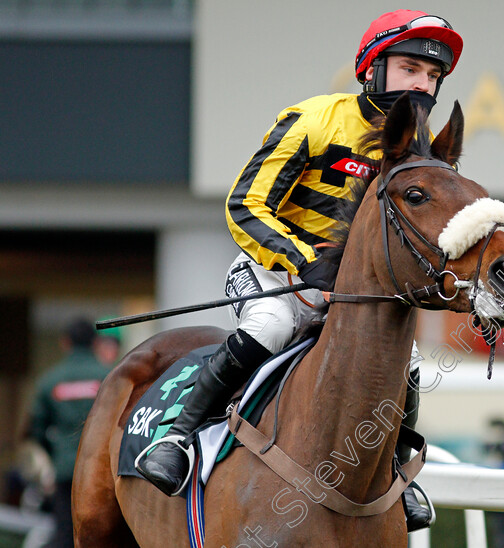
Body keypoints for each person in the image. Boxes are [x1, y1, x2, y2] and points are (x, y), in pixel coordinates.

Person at [136, 9, 463, 532]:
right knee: (271, 326)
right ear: (371, 69)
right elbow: (245, 205)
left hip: (351, 287)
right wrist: (303, 262)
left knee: (412, 359)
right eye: (409, 70)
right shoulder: (313, 120)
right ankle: (177, 437)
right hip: (276, 270)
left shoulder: (419, 154)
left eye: (432, 77)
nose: (422, 85)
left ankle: (398, 465)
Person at [27, 317, 109, 548]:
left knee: (65, 532)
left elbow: (37, 429)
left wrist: (56, 453)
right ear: (95, 343)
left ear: (65, 343)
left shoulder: (50, 380)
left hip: (66, 470)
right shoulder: (111, 377)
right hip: (101, 471)